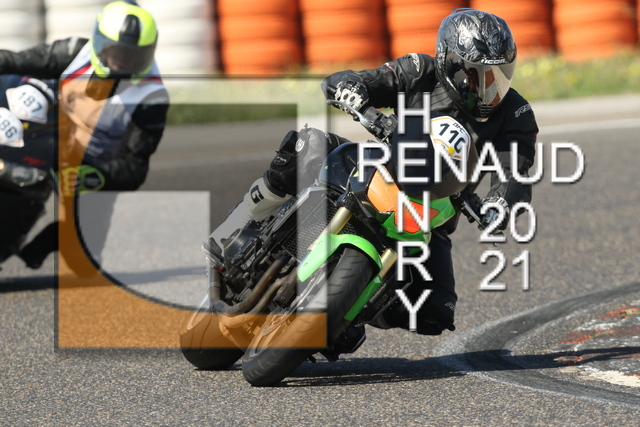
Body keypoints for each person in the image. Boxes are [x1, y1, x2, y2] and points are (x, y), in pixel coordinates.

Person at [207, 9, 538, 336]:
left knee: (434, 313)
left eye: (499, 74)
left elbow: (515, 171)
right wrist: (352, 91)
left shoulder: (516, 113)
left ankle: (351, 311)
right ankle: (235, 224)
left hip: (432, 211)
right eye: (478, 75)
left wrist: (500, 203)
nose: (489, 86)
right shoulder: (419, 70)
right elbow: (362, 80)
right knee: (307, 147)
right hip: (381, 166)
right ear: (450, 63)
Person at [0, 0, 169, 270]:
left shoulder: (152, 98)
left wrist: (88, 175)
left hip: (93, 164)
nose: (123, 63)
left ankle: (42, 244)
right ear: (100, 42)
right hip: (48, 137)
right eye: (117, 52)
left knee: (85, 266)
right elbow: (14, 62)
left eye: (134, 56)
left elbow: (135, 168)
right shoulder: (74, 52)